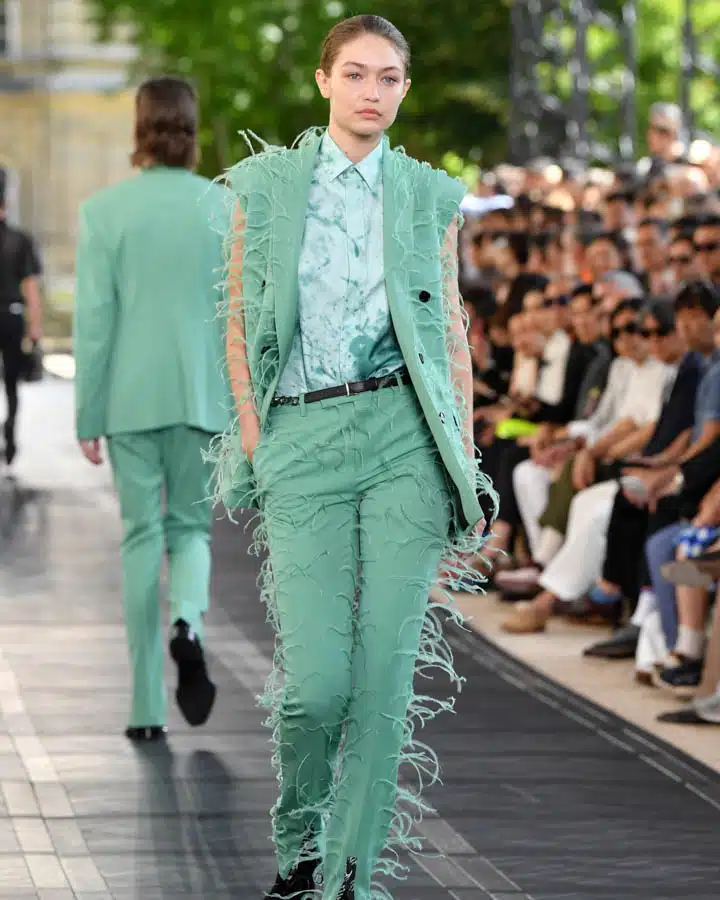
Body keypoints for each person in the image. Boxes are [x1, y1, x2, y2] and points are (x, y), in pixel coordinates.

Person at [210, 15, 496, 900]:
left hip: (404, 438)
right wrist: (258, 433)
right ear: (324, 81)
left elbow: (448, 331)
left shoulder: (427, 196)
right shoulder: (264, 187)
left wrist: (464, 456)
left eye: (390, 78)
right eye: (358, 74)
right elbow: (240, 322)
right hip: (302, 436)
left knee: (381, 677)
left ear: (404, 90)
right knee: (317, 685)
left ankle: (347, 876)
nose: (373, 92)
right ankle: (300, 829)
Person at [73, 77, 229, 741]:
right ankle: (188, 619)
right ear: (194, 129)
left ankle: (144, 707)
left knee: (140, 536)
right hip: (202, 396)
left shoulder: (103, 212)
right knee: (191, 529)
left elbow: (95, 323)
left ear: (138, 128)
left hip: (131, 398)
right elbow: (237, 317)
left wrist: (88, 416)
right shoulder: (225, 207)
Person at [0, 173, 43, 467]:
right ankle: (10, 430)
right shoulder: (21, 240)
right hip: (12, 317)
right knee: (12, 382)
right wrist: (36, 329)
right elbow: (31, 290)